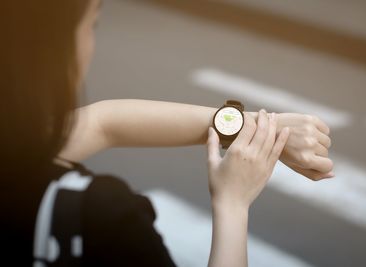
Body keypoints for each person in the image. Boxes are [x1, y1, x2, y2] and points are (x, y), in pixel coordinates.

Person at [0, 0, 333, 266]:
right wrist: (232, 203)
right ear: (52, 49)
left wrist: (248, 126)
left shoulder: (16, 147)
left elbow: (103, 122)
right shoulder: (99, 217)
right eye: (92, 24)